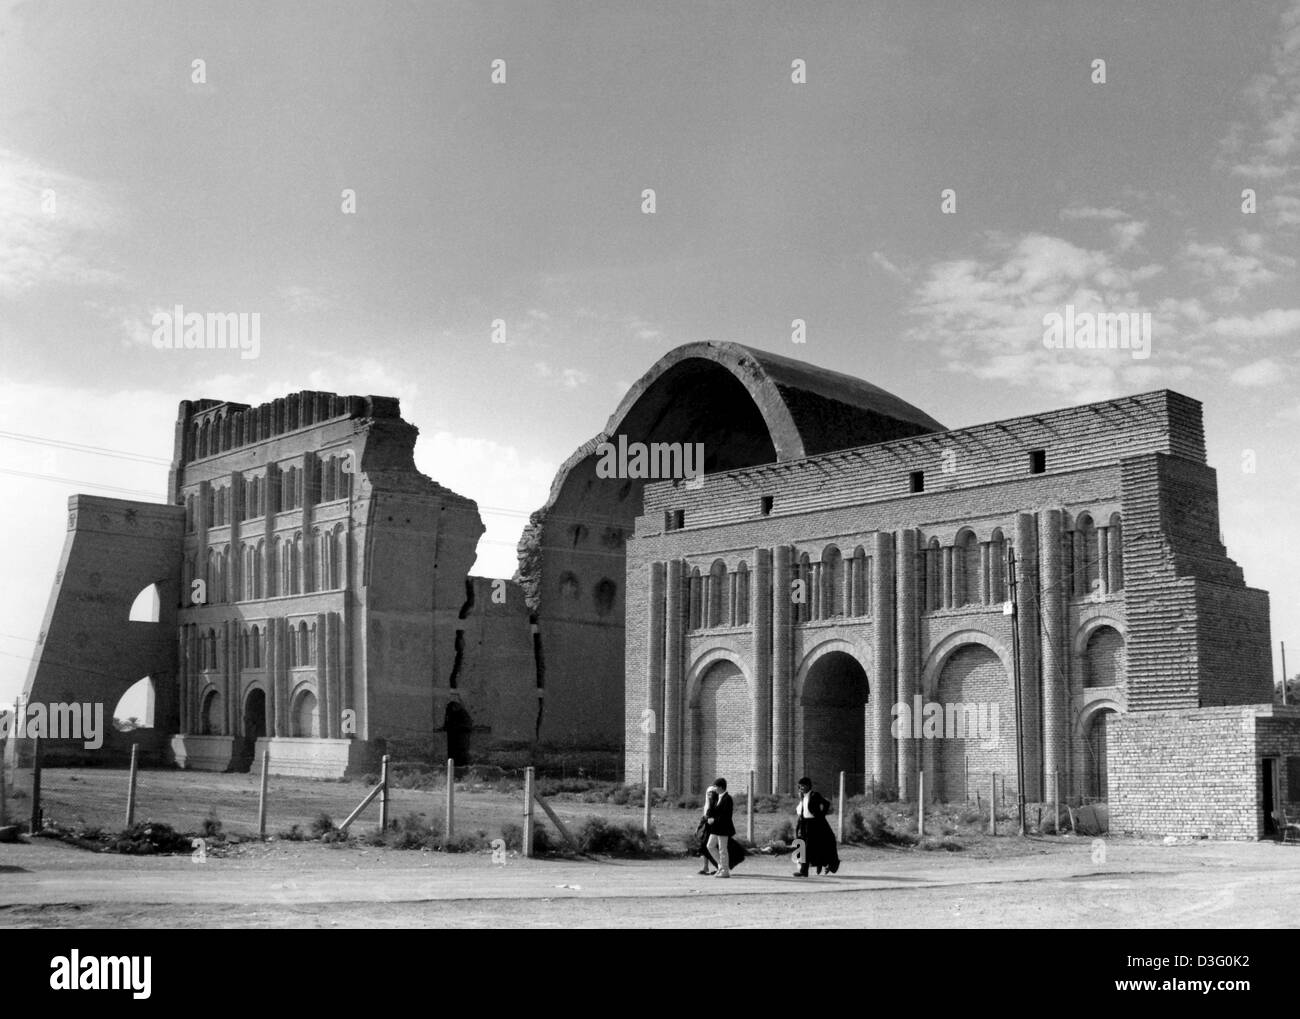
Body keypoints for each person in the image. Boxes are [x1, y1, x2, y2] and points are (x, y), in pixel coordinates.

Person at [793, 776, 839, 877]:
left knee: (813, 846)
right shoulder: (803, 796)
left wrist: (821, 815)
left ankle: (806, 870)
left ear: (808, 786)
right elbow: (800, 811)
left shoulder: (814, 795)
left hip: (815, 824)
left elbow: (826, 803)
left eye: (802, 786)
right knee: (803, 846)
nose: (801, 789)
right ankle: (806, 870)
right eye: (799, 787)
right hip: (805, 824)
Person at [704, 776, 735, 878]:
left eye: (715, 786)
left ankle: (725, 871)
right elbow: (711, 809)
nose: (714, 789)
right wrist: (708, 817)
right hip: (715, 828)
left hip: (724, 828)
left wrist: (714, 820)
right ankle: (721, 866)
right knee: (710, 846)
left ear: (721, 787)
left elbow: (726, 815)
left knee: (722, 849)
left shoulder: (728, 799)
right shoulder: (716, 797)